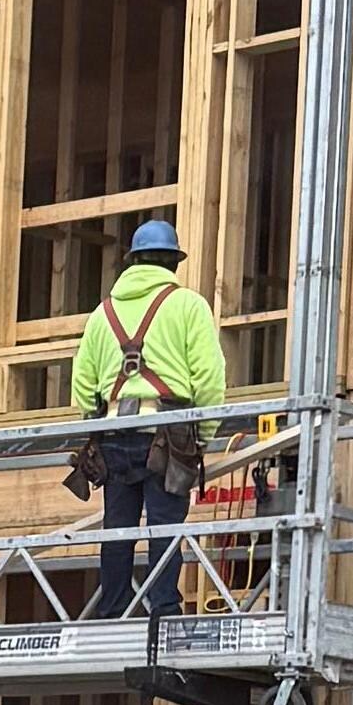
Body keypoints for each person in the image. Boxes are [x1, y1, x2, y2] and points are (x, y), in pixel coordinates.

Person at [70, 209, 225, 621]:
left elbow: (83, 383)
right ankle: (164, 610)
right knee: (164, 527)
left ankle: (114, 608)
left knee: (118, 529)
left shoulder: (102, 314)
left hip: (115, 434)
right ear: (173, 262)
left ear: (133, 261)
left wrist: (95, 425)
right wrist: (203, 436)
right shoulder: (189, 306)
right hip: (170, 433)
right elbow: (210, 379)